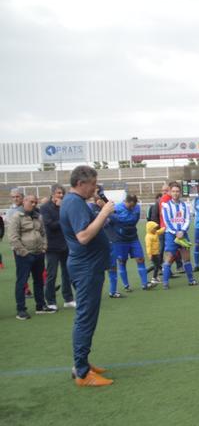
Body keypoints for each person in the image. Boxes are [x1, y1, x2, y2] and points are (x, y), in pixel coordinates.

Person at [60, 165, 114, 386]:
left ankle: (82, 363)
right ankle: (82, 372)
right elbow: (83, 236)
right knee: (85, 318)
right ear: (80, 183)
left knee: (87, 317)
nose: (95, 187)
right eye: (92, 183)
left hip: (88, 266)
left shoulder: (77, 202)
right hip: (86, 268)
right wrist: (103, 212)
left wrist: (99, 211)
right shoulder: (73, 203)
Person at [9, 194, 49, 319]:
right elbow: (13, 237)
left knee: (38, 281)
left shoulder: (38, 216)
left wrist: (44, 247)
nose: (33, 204)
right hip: (24, 255)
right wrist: (24, 252)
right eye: (31, 201)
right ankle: (21, 310)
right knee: (22, 281)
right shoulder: (16, 216)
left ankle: (40, 305)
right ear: (24, 201)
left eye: (35, 202)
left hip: (38, 253)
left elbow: (43, 234)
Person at [40, 184, 75, 311]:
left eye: (62, 193)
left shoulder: (65, 206)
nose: (61, 195)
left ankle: (68, 299)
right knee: (52, 274)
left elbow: (70, 222)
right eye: (58, 193)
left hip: (66, 245)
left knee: (67, 273)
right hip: (52, 246)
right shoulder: (45, 208)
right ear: (53, 193)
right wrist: (61, 211)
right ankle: (50, 301)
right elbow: (51, 225)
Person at [112, 194, 155, 291]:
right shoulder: (117, 208)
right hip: (120, 240)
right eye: (130, 206)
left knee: (140, 259)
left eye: (133, 206)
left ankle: (145, 284)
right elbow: (114, 221)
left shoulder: (137, 208)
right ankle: (126, 285)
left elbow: (134, 220)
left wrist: (125, 222)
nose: (132, 208)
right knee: (122, 262)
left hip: (133, 238)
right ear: (125, 202)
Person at [161, 182, 198, 288]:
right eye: (173, 191)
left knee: (186, 257)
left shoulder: (185, 205)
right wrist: (176, 232)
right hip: (171, 235)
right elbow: (167, 221)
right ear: (170, 192)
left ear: (180, 192)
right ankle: (165, 283)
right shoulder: (166, 206)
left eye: (177, 191)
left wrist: (182, 230)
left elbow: (187, 219)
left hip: (183, 234)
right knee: (168, 258)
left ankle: (191, 280)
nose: (175, 193)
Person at [144, 220, 164, 285]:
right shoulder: (148, 237)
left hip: (156, 252)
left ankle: (145, 272)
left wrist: (165, 227)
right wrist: (150, 255)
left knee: (156, 265)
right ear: (150, 229)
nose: (155, 229)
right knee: (156, 265)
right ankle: (154, 278)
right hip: (153, 254)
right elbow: (148, 247)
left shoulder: (155, 233)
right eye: (154, 228)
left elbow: (160, 231)